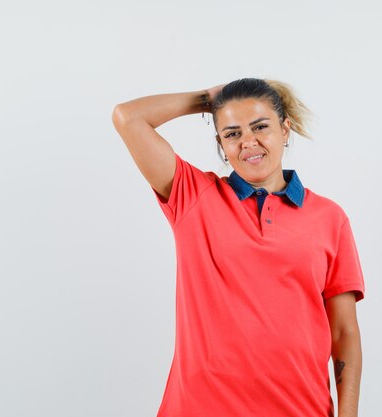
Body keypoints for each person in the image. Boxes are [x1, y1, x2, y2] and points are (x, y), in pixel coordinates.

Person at [112, 78, 366, 417]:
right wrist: (207, 99)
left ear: (285, 129)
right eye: (232, 133)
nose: (249, 142)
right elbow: (128, 117)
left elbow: (344, 331)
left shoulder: (329, 218)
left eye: (260, 126)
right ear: (221, 142)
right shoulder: (193, 196)